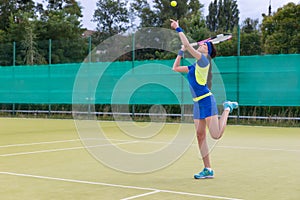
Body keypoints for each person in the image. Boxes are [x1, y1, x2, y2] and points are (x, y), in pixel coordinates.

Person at [170, 19, 238, 179]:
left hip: (207, 101)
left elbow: (187, 45)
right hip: (197, 104)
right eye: (202, 44)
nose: (202, 45)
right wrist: (180, 52)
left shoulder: (203, 60)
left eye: (205, 45)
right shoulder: (193, 67)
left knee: (215, 135)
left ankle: (227, 108)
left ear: (207, 51)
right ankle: (207, 169)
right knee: (200, 135)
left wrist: (178, 28)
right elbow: (175, 68)